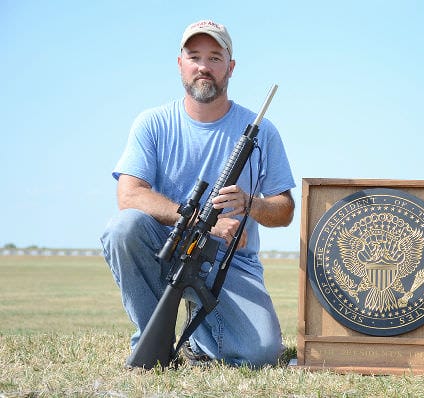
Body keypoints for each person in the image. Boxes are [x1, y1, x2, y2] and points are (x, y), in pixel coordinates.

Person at [100, 19, 295, 367]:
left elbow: (284, 210)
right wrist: (200, 221)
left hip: (227, 263)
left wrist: (250, 204)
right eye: (194, 56)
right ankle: (151, 341)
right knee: (123, 228)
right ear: (180, 65)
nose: (204, 67)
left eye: (215, 58)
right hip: (167, 249)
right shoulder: (153, 123)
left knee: (261, 354)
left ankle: (199, 339)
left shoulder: (263, 132)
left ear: (230, 68)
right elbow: (129, 196)